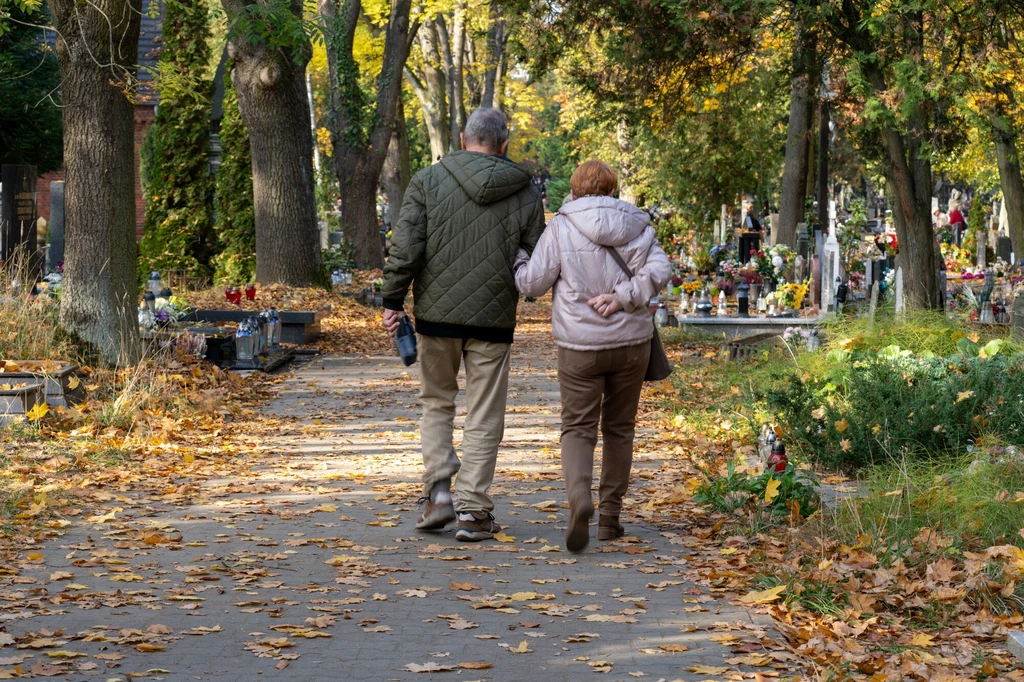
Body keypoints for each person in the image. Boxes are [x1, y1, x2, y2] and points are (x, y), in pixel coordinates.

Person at [381, 108, 546, 542]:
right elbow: (533, 258)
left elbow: (406, 247)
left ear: (462, 138)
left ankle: (438, 494)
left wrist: (393, 300)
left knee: (436, 401)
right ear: (504, 144)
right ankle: (473, 512)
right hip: (493, 318)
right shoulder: (527, 194)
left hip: (436, 316)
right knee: (484, 412)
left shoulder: (427, 181)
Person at [513, 160, 670, 553]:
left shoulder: (561, 226)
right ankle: (611, 518)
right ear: (613, 190)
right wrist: (623, 298)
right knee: (619, 429)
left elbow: (533, 282)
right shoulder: (638, 225)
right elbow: (661, 269)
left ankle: (580, 498)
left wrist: (518, 263)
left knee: (578, 428)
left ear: (575, 190)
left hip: (579, 349)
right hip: (631, 345)